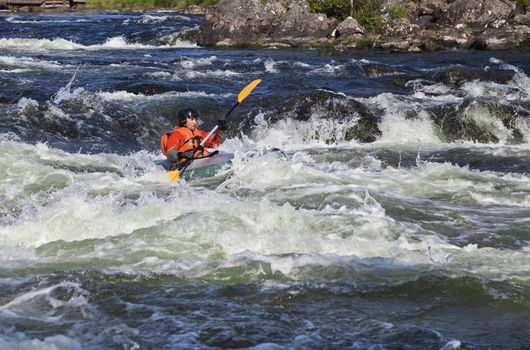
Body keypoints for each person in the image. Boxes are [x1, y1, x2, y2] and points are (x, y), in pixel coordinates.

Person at [160, 108, 226, 168]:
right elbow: (171, 152)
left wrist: (221, 130)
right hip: (186, 165)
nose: (195, 122)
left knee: (222, 153)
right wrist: (182, 155)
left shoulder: (198, 132)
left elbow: (214, 144)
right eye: (192, 119)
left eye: (195, 119)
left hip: (201, 160)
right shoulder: (177, 134)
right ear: (184, 120)